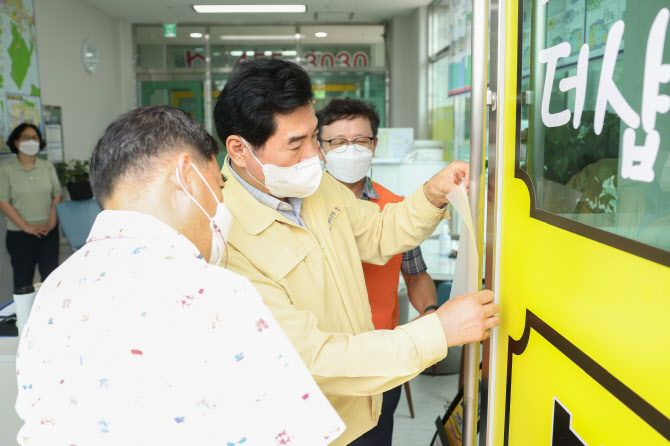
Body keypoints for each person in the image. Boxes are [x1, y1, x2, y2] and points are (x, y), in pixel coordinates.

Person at [15, 106, 345, 446]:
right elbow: (293, 433)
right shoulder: (211, 291)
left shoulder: (55, 287)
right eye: (219, 184)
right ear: (187, 175)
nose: (221, 201)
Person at [214, 57, 499, 445]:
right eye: (295, 144)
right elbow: (311, 358)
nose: (314, 155)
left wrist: (433, 194)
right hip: (302, 429)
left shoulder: (314, 187)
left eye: (314, 136)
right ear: (240, 148)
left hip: (362, 409)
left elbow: (379, 231)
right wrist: (437, 331)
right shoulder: (223, 237)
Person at [316, 97, 439, 444]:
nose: (350, 150)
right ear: (320, 148)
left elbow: (415, 275)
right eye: (338, 142)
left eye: (360, 141)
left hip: (383, 357)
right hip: (323, 358)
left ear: (375, 145)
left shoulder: (398, 211)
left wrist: (430, 313)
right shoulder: (303, 206)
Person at [0, 123, 62, 290]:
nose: (32, 141)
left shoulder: (47, 166)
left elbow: (57, 195)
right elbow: (3, 203)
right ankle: (24, 316)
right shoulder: (6, 171)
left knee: (51, 280)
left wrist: (51, 222)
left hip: (48, 232)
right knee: (23, 282)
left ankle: (50, 315)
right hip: (20, 235)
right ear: (15, 142)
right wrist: (27, 227)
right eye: (26, 138)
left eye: (35, 138)